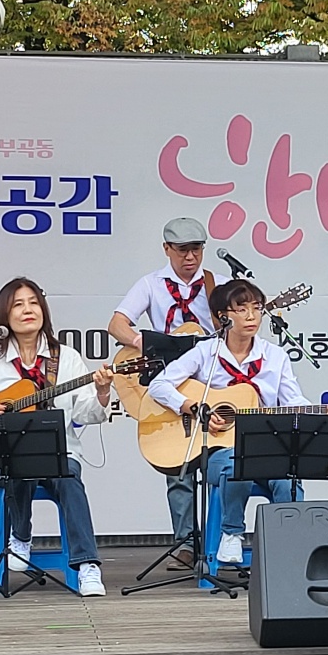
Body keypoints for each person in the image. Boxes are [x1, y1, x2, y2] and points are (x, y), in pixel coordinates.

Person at [0, 277, 114, 597]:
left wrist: (101, 392)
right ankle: (21, 534)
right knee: (17, 461)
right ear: (5, 315)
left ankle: (87, 565)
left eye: (33, 302)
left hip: (60, 455)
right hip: (6, 461)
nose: (27, 309)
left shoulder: (66, 358)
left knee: (70, 481)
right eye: (18, 304)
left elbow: (87, 412)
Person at [147, 279, 314, 566]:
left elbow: (293, 401)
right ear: (223, 316)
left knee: (288, 481)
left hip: (268, 448)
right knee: (238, 462)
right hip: (217, 451)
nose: (251, 316)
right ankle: (231, 533)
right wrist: (193, 407)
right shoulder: (206, 353)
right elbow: (159, 385)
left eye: (257, 308)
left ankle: (287, 548)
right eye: (242, 309)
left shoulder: (275, 356)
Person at [108, 217, 213, 569]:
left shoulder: (217, 284)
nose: (190, 257)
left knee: (219, 461)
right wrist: (149, 344)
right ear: (167, 249)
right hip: (169, 382)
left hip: (211, 381)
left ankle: (218, 541)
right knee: (177, 464)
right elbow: (116, 324)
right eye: (182, 250)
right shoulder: (151, 284)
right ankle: (185, 544)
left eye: (196, 249)